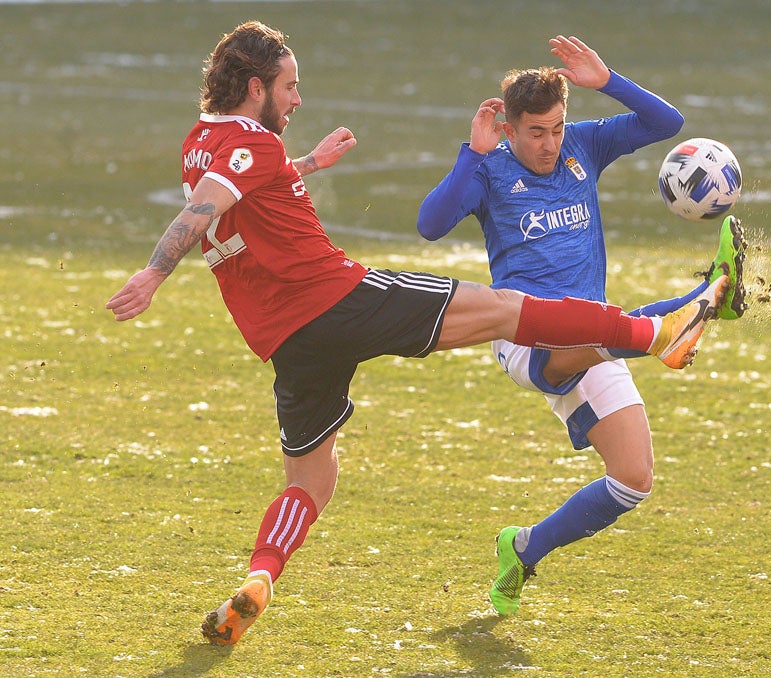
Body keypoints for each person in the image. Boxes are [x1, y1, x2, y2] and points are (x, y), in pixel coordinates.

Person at [104, 22, 730, 645]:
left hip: (286, 340)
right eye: (289, 87)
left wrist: (310, 164)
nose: (297, 100)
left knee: (311, 481)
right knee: (511, 309)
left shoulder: (203, 141)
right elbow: (206, 206)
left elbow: (241, 184)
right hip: (340, 298)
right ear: (253, 87)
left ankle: (260, 577)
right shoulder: (248, 143)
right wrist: (155, 271)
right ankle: (653, 333)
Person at [417, 35, 747, 615]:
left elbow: (666, 122)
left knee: (633, 479)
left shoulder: (582, 147)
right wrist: (471, 153)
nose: (549, 144)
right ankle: (703, 298)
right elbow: (430, 225)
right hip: (523, 336)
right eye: (536, 132)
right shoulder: (489, 170)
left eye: (556, 127)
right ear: (510, 128)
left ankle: (523, 548)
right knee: (588, 331)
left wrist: (607, 80)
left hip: (597, 333)